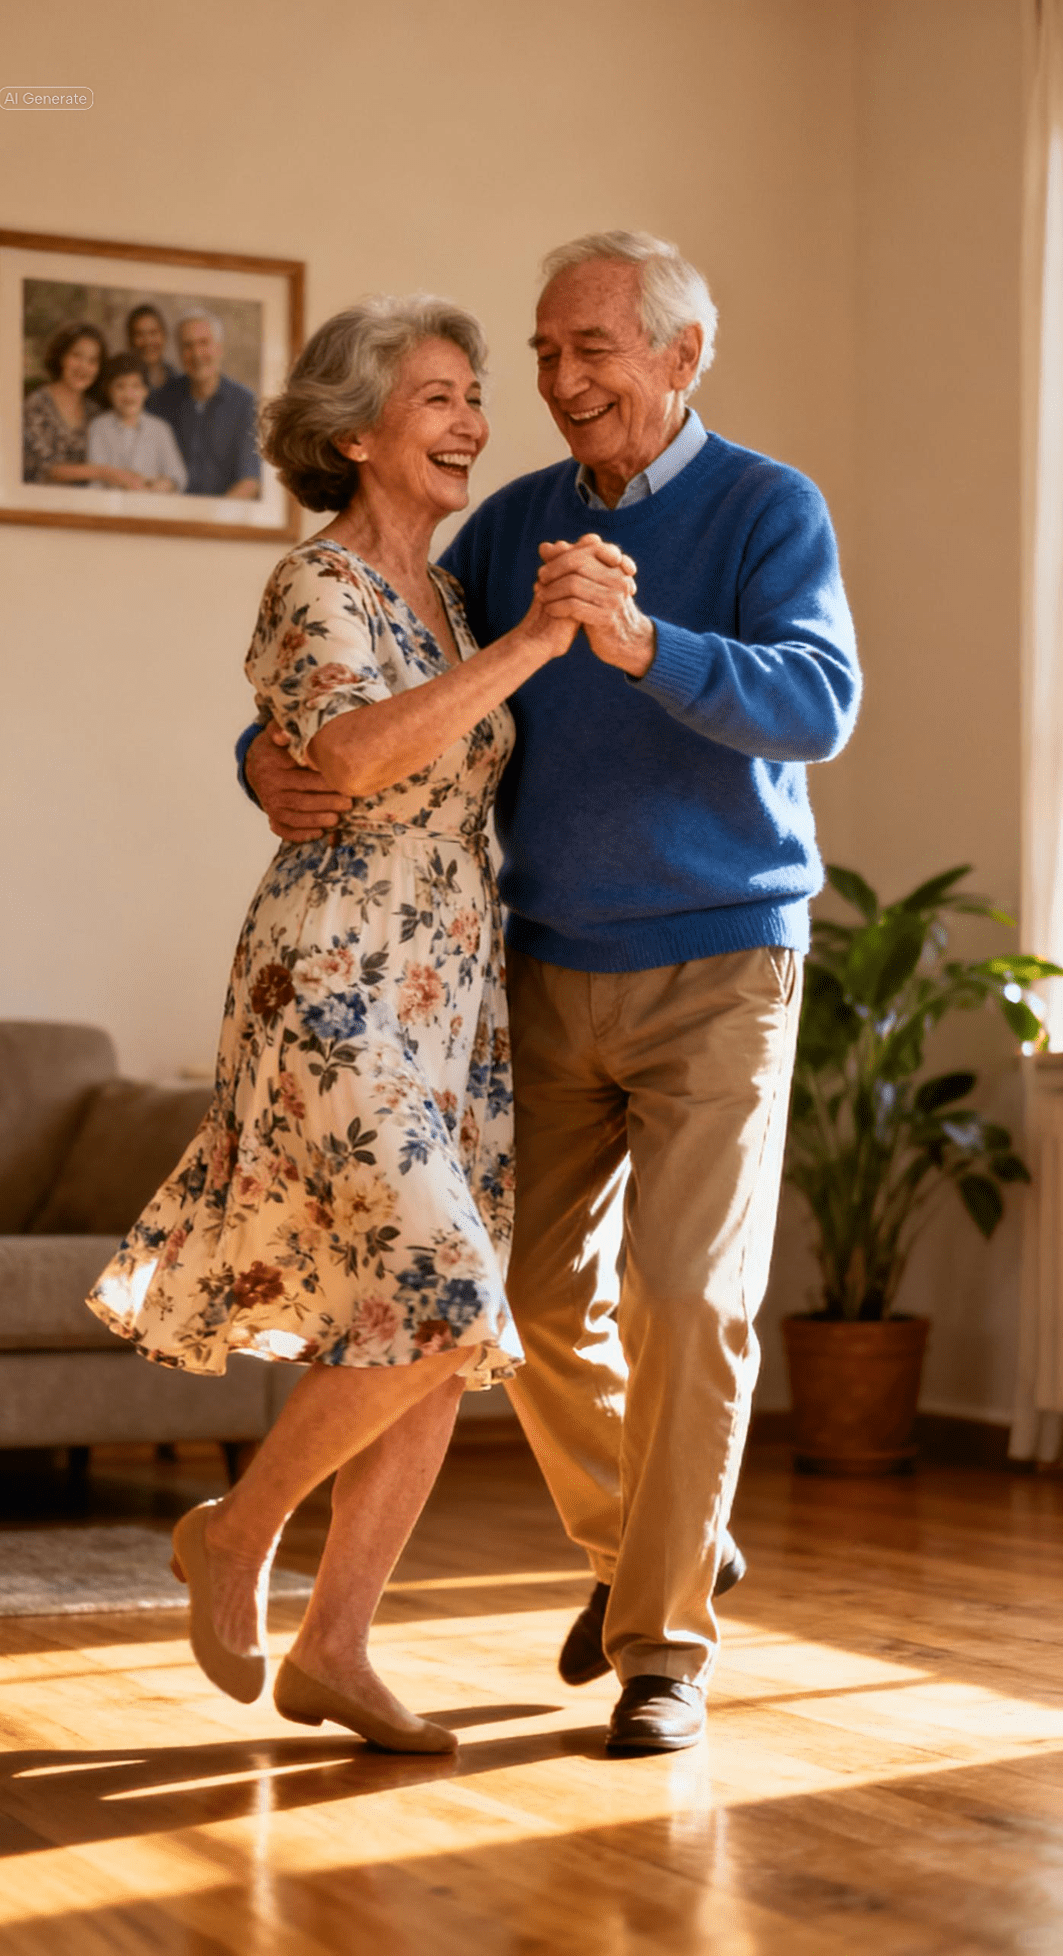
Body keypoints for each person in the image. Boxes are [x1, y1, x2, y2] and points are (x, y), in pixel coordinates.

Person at [244, 231, 862, 1757]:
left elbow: (821, 701)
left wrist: (641, 637)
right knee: (513, 1300)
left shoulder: (769, 506)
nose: (560, 382)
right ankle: (656, 1540)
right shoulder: (511, 523)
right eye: (544, 354)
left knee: (684, 1296)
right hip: (540, 967)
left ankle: (662, 1652)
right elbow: (370, 672)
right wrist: (258, 762)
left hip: (723, 959)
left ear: (679, 357)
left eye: (593, 349)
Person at [85, 294, 586, 1754]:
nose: (474, 419)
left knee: (422, 1328)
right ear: (359, 431)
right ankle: (238, 1534)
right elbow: (352, 752)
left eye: (476, 394)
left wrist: (524, 637)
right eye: (438, 396)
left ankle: (340, 1649)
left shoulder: (460, 597)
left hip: (451, 998)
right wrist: (534, 646)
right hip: (336, 981)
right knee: (443, 1286)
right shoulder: (316, 585)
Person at [22, 322, 149, 489]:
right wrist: (105, 473)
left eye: (92, 361)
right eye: (76, 356)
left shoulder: (95, 412)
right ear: (62, 357)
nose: (84, 367)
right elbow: (46, 469)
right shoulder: (36, 405)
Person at [147, 310, 260, 497]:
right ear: (179, 353)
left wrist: (215, 519)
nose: (197, 354)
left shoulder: (245, 404)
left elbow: (250, 481)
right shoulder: (161, 400)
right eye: (187, 346)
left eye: (204, 343)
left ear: (219, 348)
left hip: (223, 514)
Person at [86, 354, 188, 493]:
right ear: (109, 390)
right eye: (120, 386)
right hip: (110, 507)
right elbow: (96, 480)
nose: (128, 394)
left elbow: (178, 476)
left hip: (152, 506)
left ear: (146, 391)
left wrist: (160, 486)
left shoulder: (160, 429)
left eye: (136, 386)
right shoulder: (98, 427)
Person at [126, 303, 177, 391]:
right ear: (130, 340)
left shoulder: (176, 380)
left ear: (164, 336)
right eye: (139, 334)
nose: (148, 341)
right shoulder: (122, 381)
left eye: (153, 333)